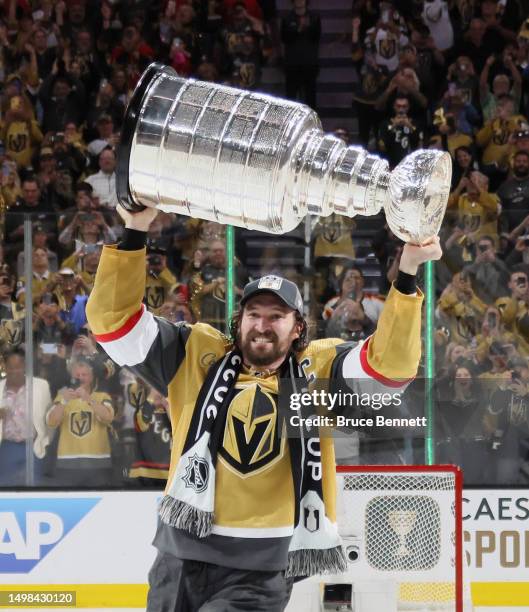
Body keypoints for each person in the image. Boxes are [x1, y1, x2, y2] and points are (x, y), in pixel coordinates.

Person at [86, 204, 441, 611]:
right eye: (254, 314)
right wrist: (134, 232)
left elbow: (389, 368)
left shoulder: (320, 368)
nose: (262, 324)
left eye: (276, 316)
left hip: (260, 570)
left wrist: (408, 275)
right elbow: (116, 327)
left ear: (298, 327)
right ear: (239, 322)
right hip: (179, 554)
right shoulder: (197, 354)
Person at [0, 348, 52, 486]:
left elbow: (49, 419)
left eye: (18, 367)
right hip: (6, 448)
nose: (14, 371)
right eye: (10, 367)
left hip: (33, 446)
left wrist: (45, 442)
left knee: (35, 490)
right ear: (5, 366)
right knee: (6, 490)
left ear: (25, 366)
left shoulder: (41, 386)